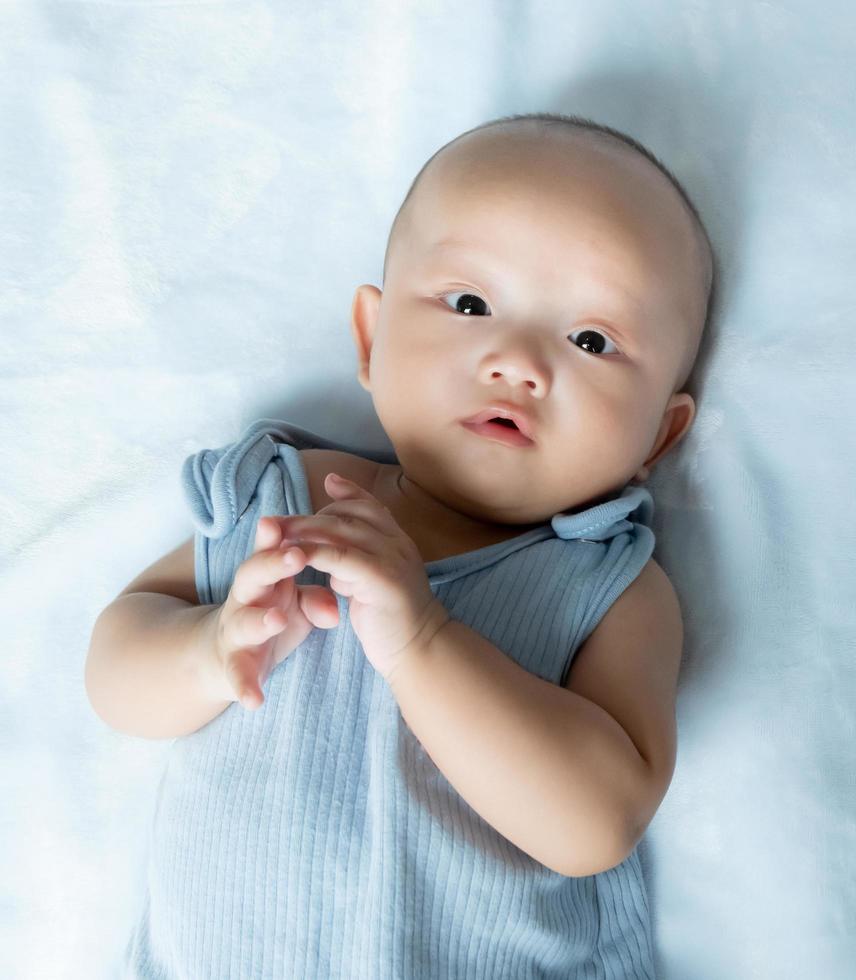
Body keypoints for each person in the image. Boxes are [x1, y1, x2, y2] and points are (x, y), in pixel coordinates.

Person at [84, 110, 717, 978]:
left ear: (659, 436)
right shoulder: (283, 499)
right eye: (470, 303)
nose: (518, 361)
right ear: (372, 340)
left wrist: (423, 641)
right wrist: (206, 650)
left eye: (591, 340)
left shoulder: (608, 588)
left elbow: (597, 825)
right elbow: (115, 670)